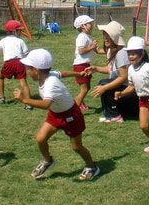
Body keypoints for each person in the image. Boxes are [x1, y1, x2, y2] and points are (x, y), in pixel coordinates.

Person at [13, 48, 100, 181]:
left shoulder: (50, 85)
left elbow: (46, 104)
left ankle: (92, 167)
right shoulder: (50, 75)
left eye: (28, 68)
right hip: (56, 114)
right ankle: (47, 161)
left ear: (36, 70)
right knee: (40, 138)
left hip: (71, 116)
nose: (27, 71)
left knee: (76, 146)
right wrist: (78, 74)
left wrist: (24, 100)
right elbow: (62, 73)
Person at [89, 20, 138, 122]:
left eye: (108, 35)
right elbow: (112, 71)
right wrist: (96, 68)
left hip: (130, 90)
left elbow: (123, 77)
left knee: (103, 84)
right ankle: (110, 114)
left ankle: (114, 115)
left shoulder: (121, 53)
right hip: (123, 88)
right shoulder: (112, 51)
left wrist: (105, 88)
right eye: (104, 34)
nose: (105, 38)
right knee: (103, 83)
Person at [0, 19, 31, 109]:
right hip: (20, 63)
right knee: (23, 83)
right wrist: (31, 65)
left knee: (0, 77)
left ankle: (1, 97)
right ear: (14, 31)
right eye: (19, 30)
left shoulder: (4, 40)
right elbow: (27, 54)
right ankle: (28, 103)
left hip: (9, 63)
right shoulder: (20, 41)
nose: (21, 32)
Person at [72, 14, 101, 110]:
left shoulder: (89, 37)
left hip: (86, 65)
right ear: (82, 26)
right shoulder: (81, 37)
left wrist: (111, 50)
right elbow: (81, 51)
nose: (91, 25)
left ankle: (79, 103)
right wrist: (92, 47)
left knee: (86, 88)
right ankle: (74, 108)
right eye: (89, 23)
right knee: (84, 89)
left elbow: (98, 50)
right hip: (80, 65)